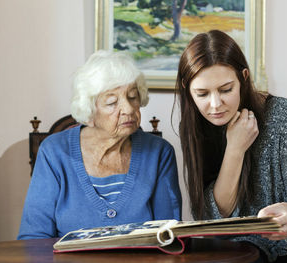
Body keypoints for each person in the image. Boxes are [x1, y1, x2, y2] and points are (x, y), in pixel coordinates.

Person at [175, 30, 287, 263]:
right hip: (238, 249)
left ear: (244, 77)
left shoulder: (282, 115)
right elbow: (212, 218)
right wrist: (235, 149)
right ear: (187, 88)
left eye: (225, 90)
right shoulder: (193, 127)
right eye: (202, 93)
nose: (215, 104)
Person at [18, 50, 182, 239]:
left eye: (132, 96)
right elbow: (34, 238)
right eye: (112, 102)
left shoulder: (160, 153)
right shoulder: (54, 152)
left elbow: (168, 236)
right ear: (89, 112)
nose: (128, 109)